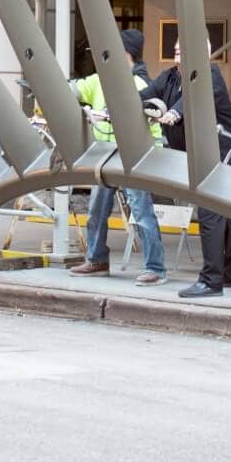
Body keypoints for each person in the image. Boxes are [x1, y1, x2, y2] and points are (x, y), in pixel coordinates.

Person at [141, 45, 231, 299]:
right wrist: (115, 109)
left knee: (211, 212)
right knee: (228, 215)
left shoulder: (209, 75)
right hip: (206, 153)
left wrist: (174, 112)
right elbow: (145, 94)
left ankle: (211, 281)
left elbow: (194, 97)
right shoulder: (169, 77)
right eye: (176, 47)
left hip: (227, 151)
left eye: (185, 47)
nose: (178, 51)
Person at [68, 29, 169, 286]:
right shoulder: (99, 81)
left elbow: (154, 126)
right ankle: (97, 259)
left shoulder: (141, 86)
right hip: (106, 155)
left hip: (133, 157)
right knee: (97, 211)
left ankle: (155, 268)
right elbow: (74, 90)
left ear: (125, 54)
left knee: (141, 211)